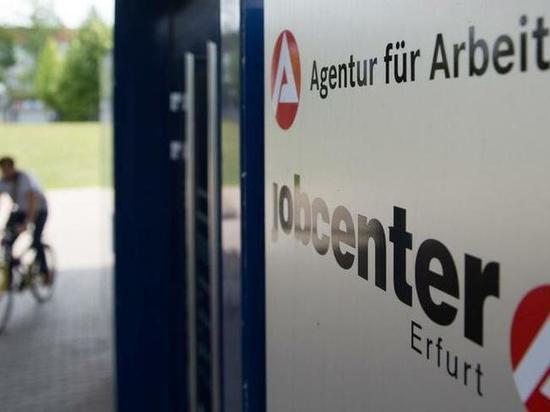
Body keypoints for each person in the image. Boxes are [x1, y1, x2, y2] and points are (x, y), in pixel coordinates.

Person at [0, 156, 50, 279]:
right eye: (3, 169)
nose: (6, 172)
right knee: (7, 239)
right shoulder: (3, 182)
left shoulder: (24, 179)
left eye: (8, 169)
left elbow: (33, 201)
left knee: (36, 239)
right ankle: (9, 276)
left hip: (39, 210)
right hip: (21, 210)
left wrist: (27, 223)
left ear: (13, 167)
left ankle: (44, 271)